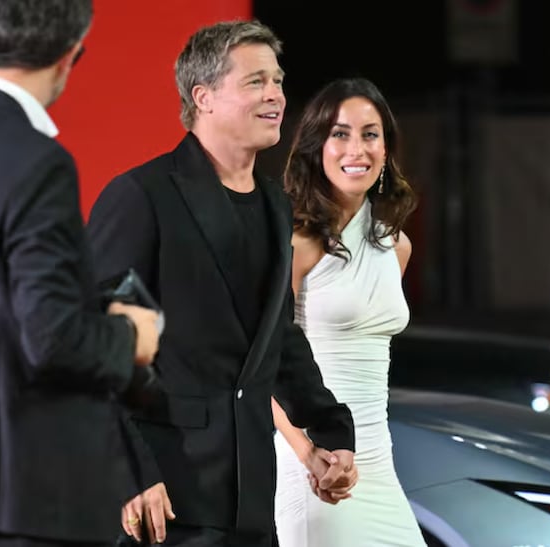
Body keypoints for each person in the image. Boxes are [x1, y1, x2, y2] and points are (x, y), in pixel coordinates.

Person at [85, 19, 357, 547]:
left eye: (277, 81)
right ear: (202, 97)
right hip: (163, 499)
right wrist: (129, 473)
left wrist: (329, 431)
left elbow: (276, 337)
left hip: (251, 498)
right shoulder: (142, 195)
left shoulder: (276, 204)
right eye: (255, 81)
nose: (275, 94)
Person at [0, 1, 161, 545]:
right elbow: (53, 338)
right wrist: (131, 336)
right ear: (71, 53)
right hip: (15, 502)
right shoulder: (36, 161)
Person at [271, 77, 425, 546]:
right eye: (340, 134)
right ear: (317, 146)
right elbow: (260, 366)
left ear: (386, 149)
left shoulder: (396, 246)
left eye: (369, 134)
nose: (356, 148)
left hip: (378, 464)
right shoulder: (294, 242)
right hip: (315, 462)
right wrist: (309, 454)